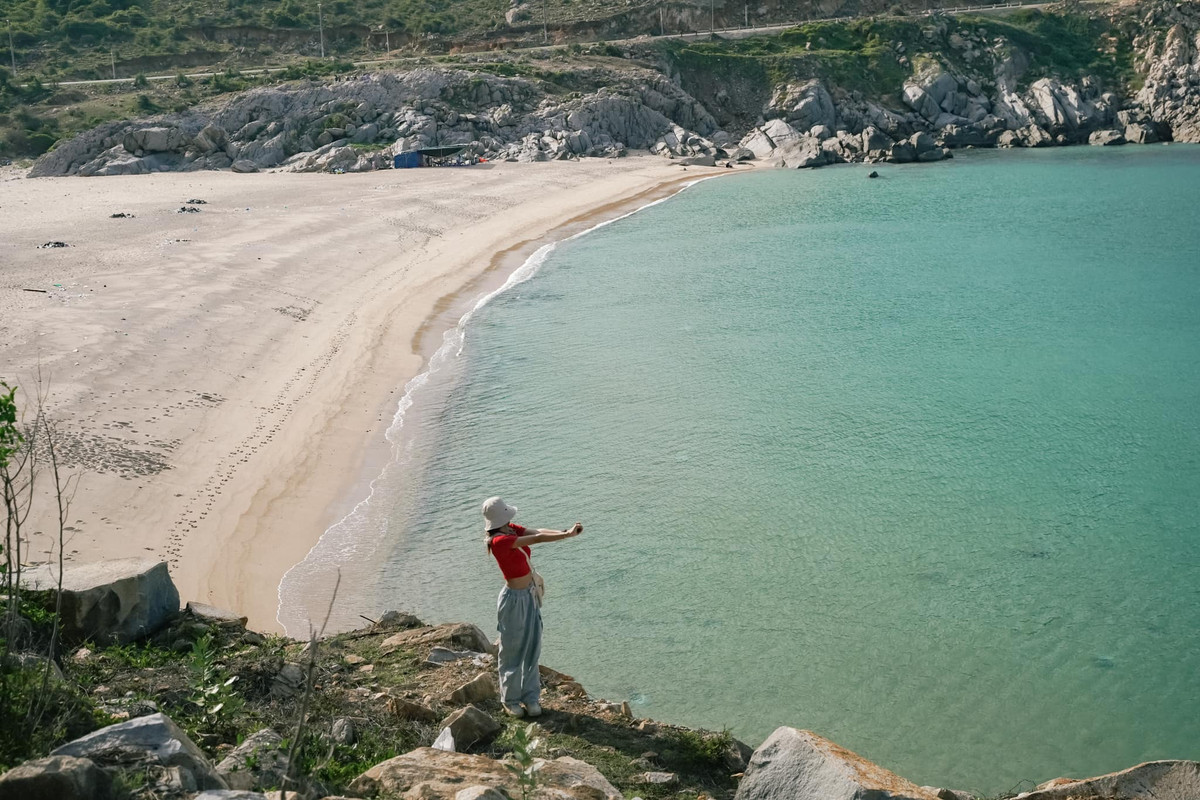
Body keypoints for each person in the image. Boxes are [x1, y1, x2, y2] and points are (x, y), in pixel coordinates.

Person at [483, 496, 582, 717]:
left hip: (529, 596)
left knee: (532, 646)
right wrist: (567, 535)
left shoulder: (510, 530)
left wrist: (565, 531)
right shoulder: (499, 542)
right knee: (512, 650)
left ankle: (531, 697)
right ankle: (510, 700)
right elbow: (535, 539)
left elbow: (536, 531)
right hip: (513, 600)